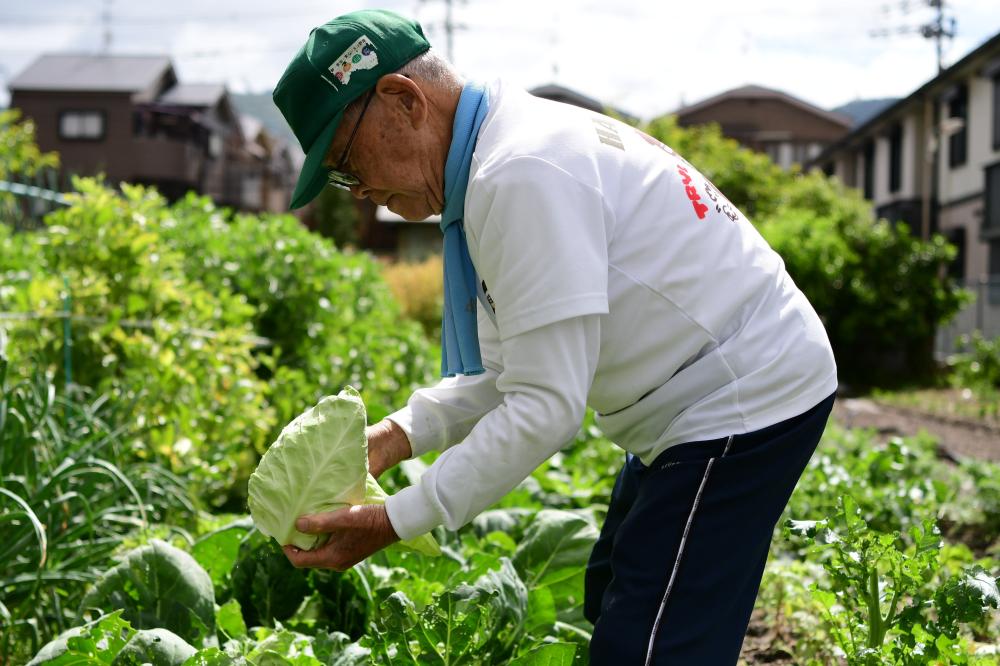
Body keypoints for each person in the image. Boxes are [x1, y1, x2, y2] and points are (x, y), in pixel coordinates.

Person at [272, 9, 838, 664]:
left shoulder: (519, 173)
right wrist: (394, 438)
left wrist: (395, 520)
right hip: (690, 395)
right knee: (614, 596)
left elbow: (546, 406)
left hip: (741, 396)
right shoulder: (496, 155)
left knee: (650, 649)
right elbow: (510, 364)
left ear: (403, 100)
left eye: (346, 164)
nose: (361, 193)